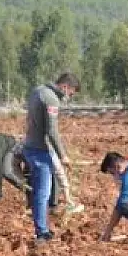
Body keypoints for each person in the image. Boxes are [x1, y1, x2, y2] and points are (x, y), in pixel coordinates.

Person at [23, 72, 80, 242]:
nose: (68, 97)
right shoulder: (51, 99)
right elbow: (52, 131)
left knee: (39, 192)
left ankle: (42, 227)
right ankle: (42, 232)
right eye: (70, 94)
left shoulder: (37, 91)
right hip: (41, 150)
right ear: (65, 87)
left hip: (30, 146)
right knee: (43, 193)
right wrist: (63, 156)